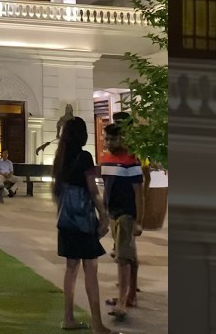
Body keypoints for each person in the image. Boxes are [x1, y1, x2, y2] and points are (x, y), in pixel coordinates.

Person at [52, 116, 118, 334]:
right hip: (82, 221)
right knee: (91, 269)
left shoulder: (60, 158)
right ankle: (97, 323)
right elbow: (92, 191)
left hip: (66, 220)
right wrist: (104, 215)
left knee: (71, 268)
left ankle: (67, 317)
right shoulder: (85, 156)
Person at [100, 123, 144, 321]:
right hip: (112, 214)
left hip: (126, 214)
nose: (109, 142)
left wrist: (138, 221)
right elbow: (106, 188)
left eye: (113, 139)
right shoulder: (106, 159)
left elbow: (138, 193)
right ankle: (130, 296)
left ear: (122, 139)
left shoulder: (131, 161)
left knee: (123, 258)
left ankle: (122, 302)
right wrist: (103, 212)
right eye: (107, 138)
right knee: (128, 255)